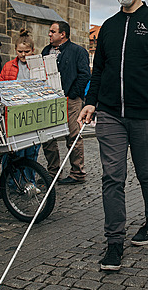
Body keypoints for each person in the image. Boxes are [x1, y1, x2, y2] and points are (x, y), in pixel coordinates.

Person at [78, 0, 148, 271]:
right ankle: (114, 242)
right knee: (112, 177)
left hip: (145, 113)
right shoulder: (108, 25)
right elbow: (100, 70)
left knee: (146, 171)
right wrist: (90, 101)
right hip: (110, 114)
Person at [42, 21, 90, 185]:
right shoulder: (46, 51)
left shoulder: (78, 51)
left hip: (70, 100)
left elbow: (84, 75)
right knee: (48, 138)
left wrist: (73, 93)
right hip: (49, 100)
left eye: (52, 31)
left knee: (73, 136)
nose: (49, 34)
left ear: (62, 34)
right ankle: (53, 172)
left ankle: (77, 173)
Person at [0, 29, 41, 174]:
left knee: (31, 152)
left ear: (32, 50)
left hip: (33, 113)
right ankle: (9, 182)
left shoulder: (38, 66)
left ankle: (29, 181)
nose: (23, 55)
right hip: (13, 114)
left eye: (27, 51)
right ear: (15, 50)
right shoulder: (9, 66)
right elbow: (1, 84)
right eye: (20, 51)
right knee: (12, 152)